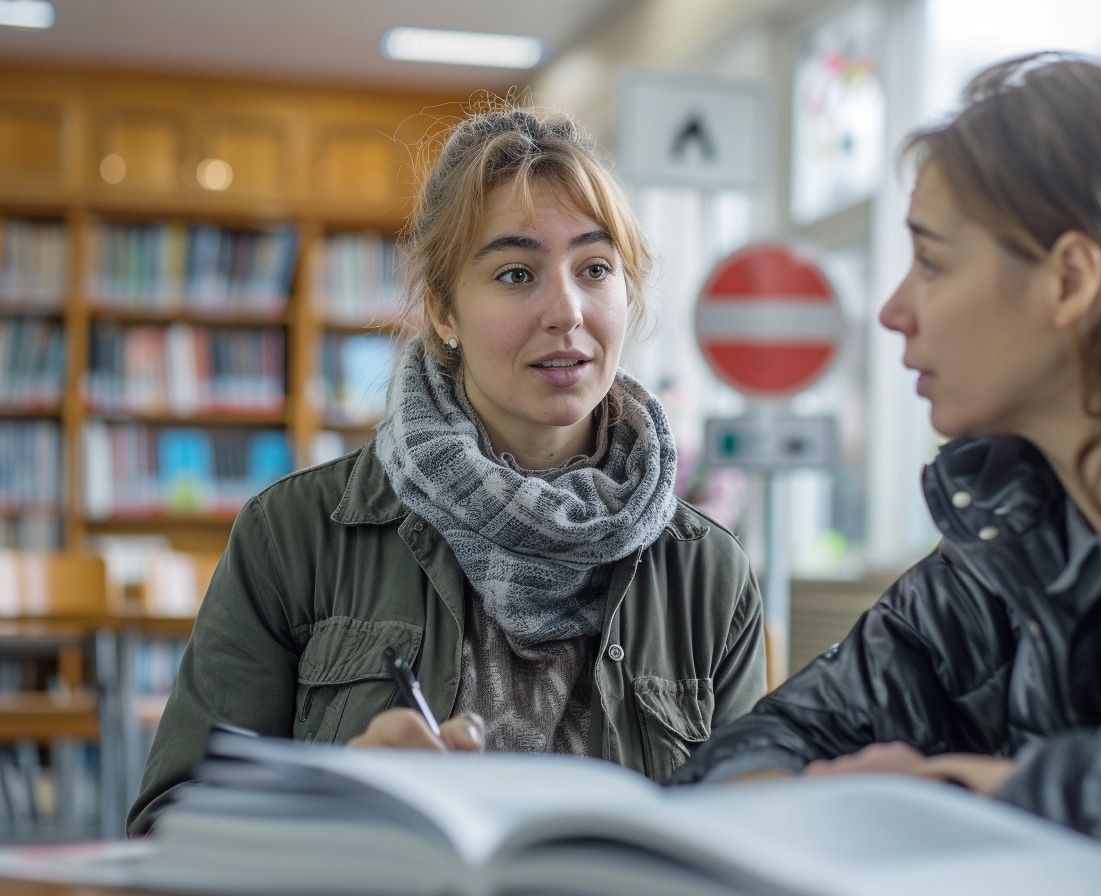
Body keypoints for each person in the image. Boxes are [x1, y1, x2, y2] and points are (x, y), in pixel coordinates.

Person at [672, 52, 1101, 895]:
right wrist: (775, 799)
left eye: (932, 262)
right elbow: (774, 741)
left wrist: (951, 794)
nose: (893, 311)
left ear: (1070, 281)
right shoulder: (1016, 520)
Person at [129, 106, 765, 834]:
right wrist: (333, 810)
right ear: (442, 311)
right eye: (516, 273)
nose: (567, 311)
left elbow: (748, 847)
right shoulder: (294, 536)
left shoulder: (708, 572)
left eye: (595, 269)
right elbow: (169, 827)